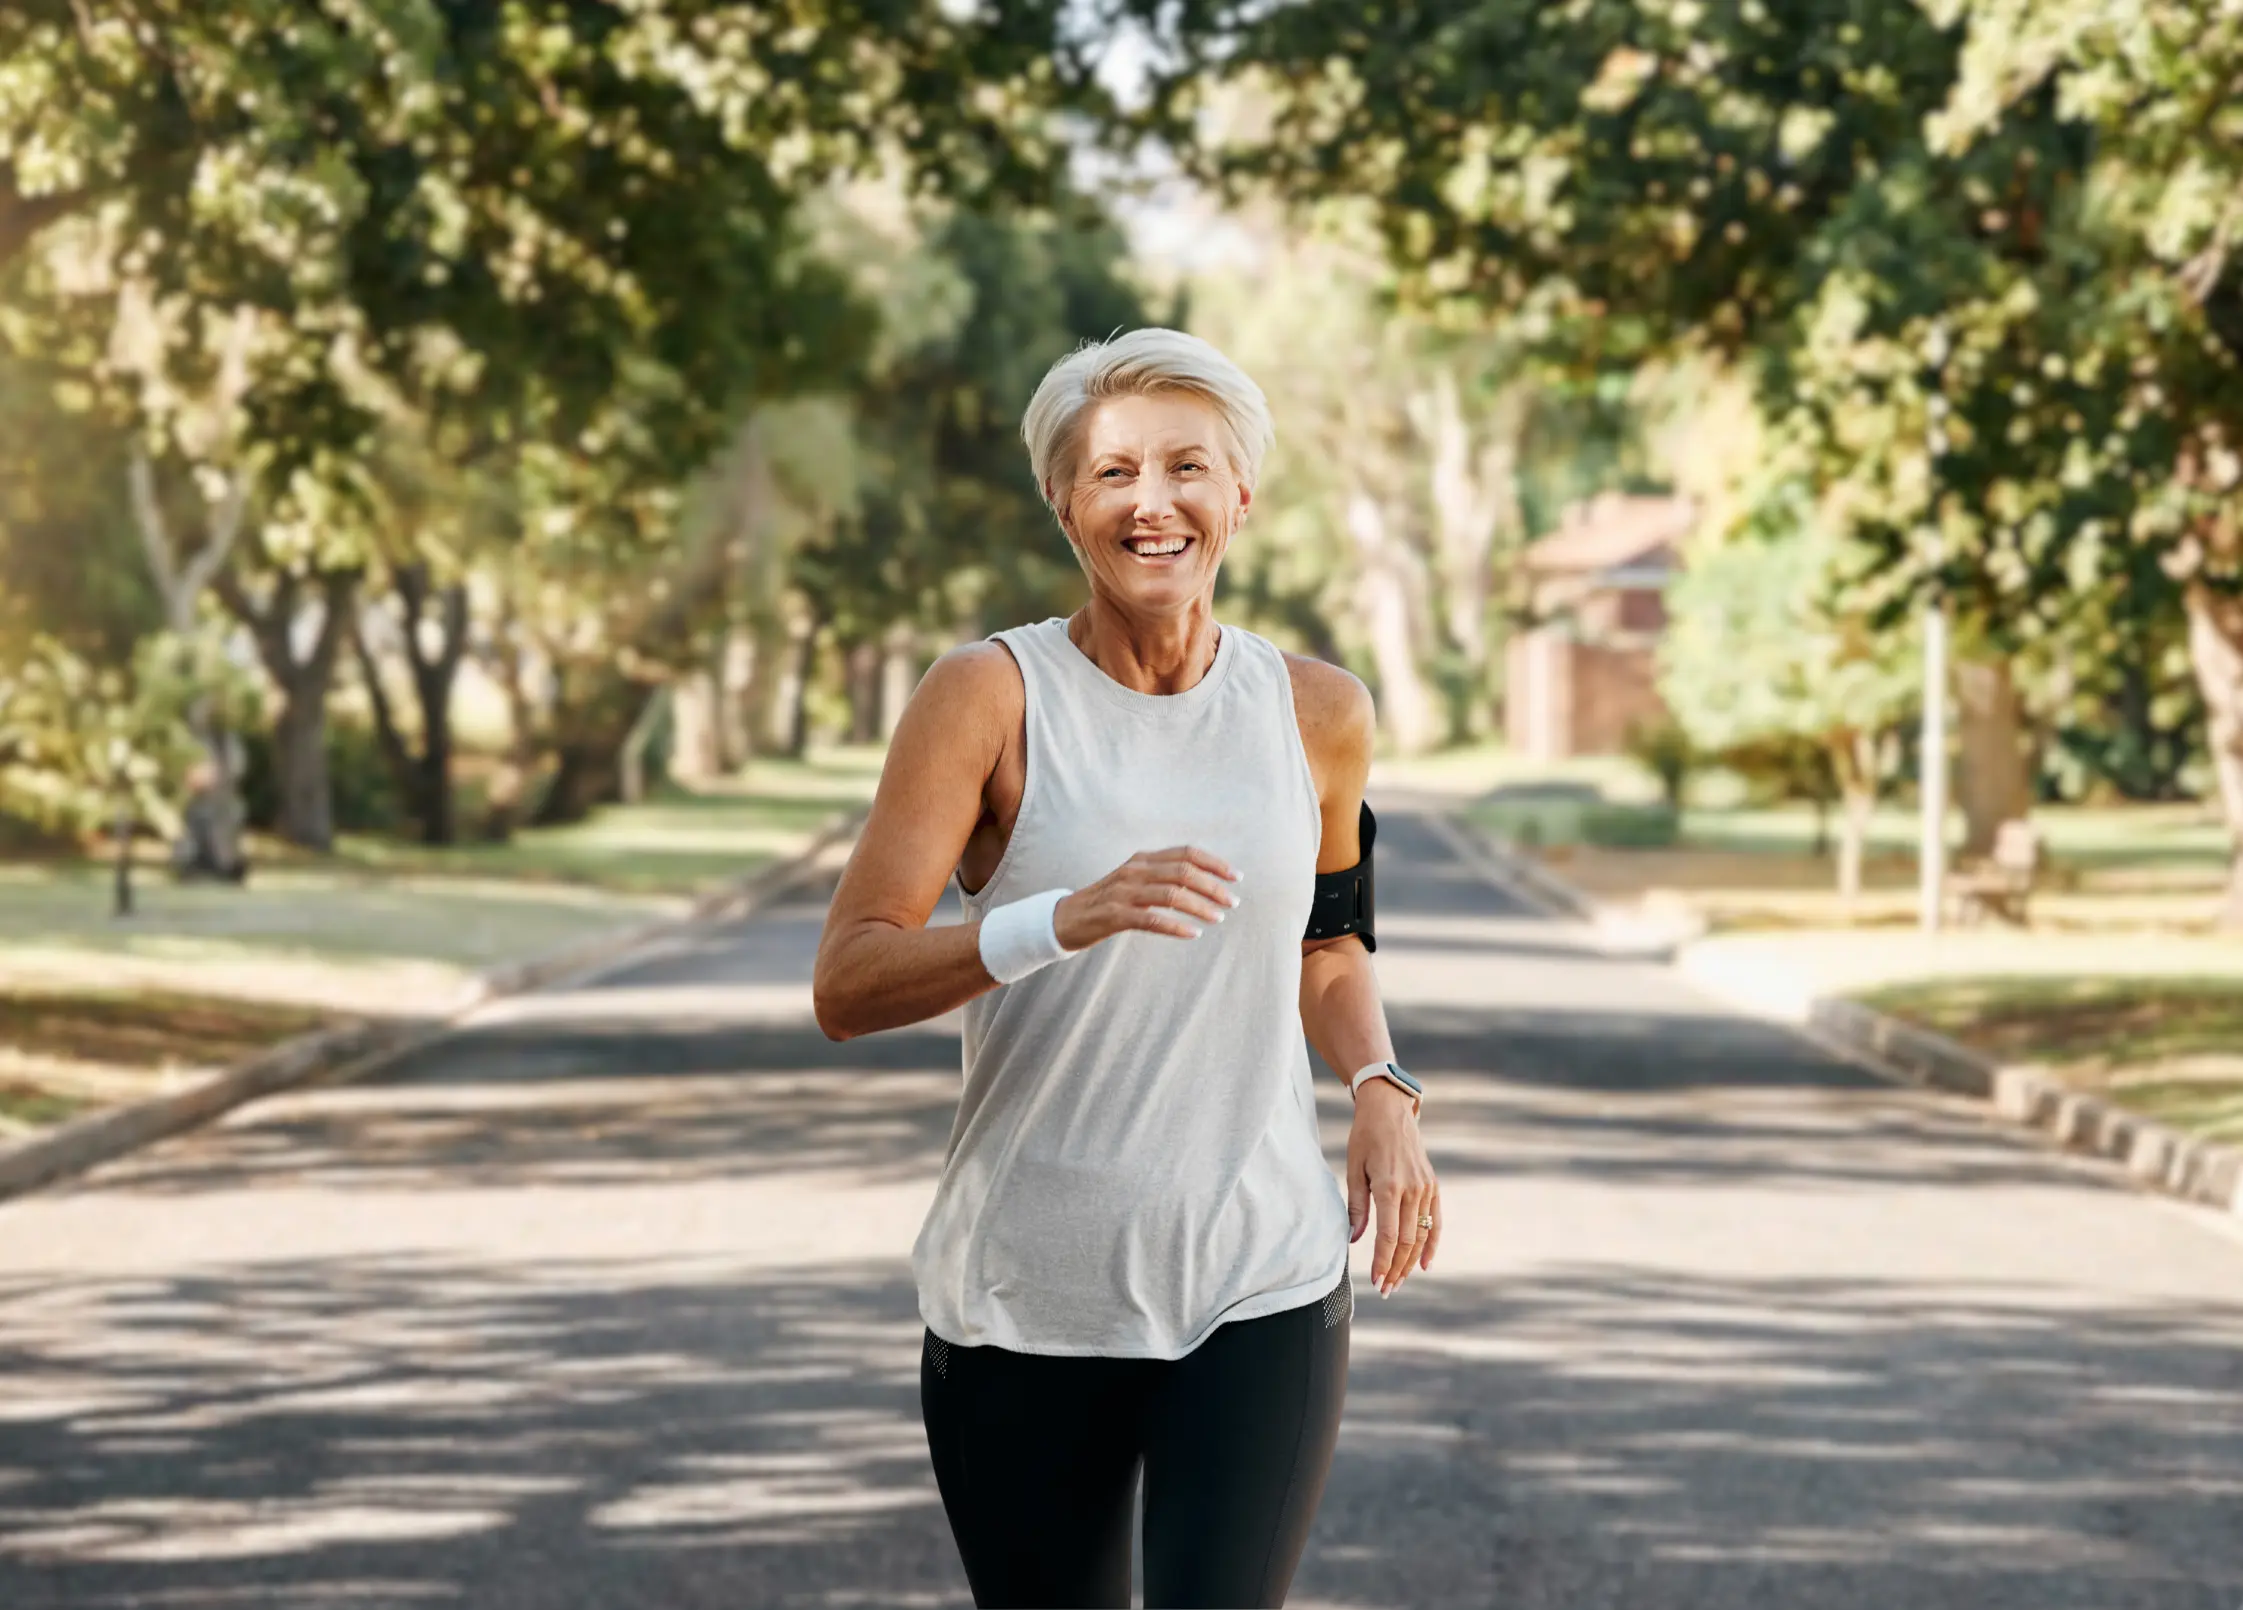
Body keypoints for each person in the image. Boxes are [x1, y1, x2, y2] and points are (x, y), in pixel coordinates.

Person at [813, 327, 1441, 1609]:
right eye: (1112, 475)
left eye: (1186, 468)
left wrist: (1380, 1081)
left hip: (1257, 1275)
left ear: (1239, 496)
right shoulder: (984, 696)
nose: (1151, 503)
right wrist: (1058, 917)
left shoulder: (1318, 711)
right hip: (1023, 1291)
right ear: (1063, 503)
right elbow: (848, 979)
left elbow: (1326, 938)